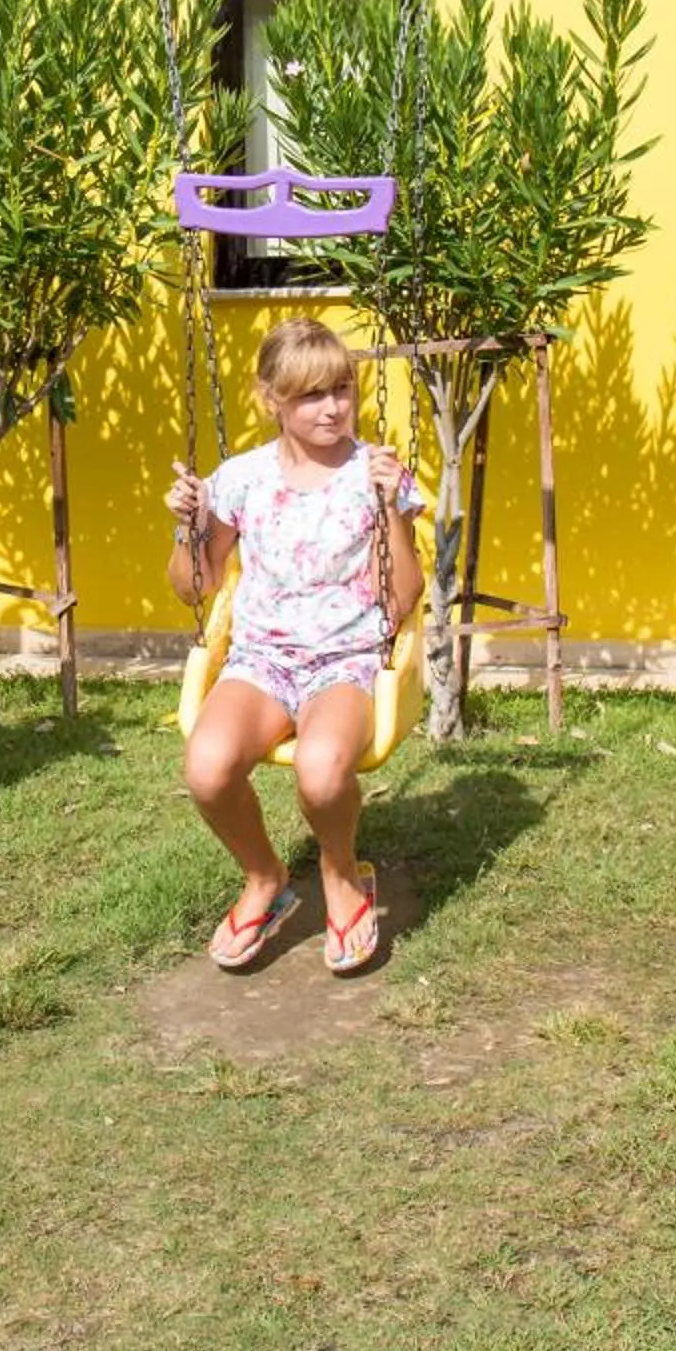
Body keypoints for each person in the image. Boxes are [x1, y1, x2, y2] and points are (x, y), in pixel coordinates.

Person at [164, 317, 424, 976]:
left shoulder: (375, 473)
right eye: (311, 395)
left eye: (341, 388)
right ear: (270, 399)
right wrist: (188, 529)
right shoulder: (241, 478)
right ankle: (265, 878)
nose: (333, 407)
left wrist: (393, 508)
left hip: (345, 658)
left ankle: (341, 874)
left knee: (320, 767)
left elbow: (403, 597)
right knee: (208, 766)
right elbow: (191, 589)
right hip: (261, 660)